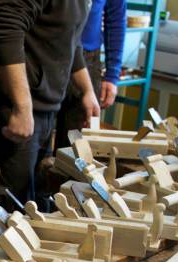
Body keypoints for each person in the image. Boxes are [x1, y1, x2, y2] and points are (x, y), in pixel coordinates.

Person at [0, 0, 100, 210]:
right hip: (19, 111)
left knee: (37, 199)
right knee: (14, 209)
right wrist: (22, 107)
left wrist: (87, 90)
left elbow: (71, 39)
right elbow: (6, 26)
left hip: (46, 108)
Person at [55, 0, 126, 150]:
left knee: (75, 146)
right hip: (49, 52)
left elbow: (116, 18)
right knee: (35, 140)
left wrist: (112, 74)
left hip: (88, 59)